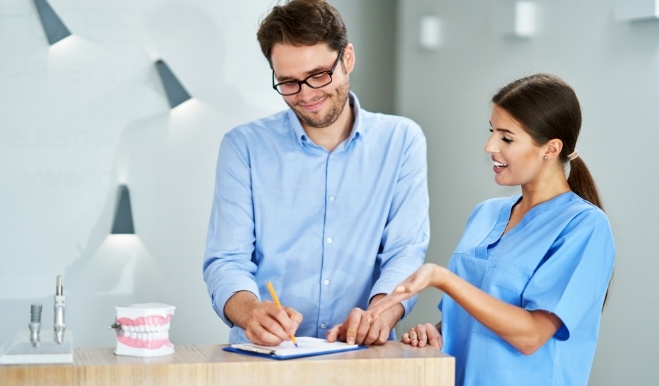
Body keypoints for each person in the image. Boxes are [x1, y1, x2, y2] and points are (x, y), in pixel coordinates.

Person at [202, 0, 429, 346]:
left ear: (348, 58)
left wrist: (382, 311)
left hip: (362, 353)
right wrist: (250, 312)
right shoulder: (243, 146)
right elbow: (226, 260)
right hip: (267, 356)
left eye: (319, 75)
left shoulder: (401, 141)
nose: (306, 94)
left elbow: (405, 250)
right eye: (289, 83)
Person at [365, 73, 615, 386]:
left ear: (551, 149)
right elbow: (469, 320)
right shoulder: (486, 214)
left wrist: (443, 278)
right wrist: (435, 333)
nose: (489, 146)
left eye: (506, 138)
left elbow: (531, 336)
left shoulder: (584, 227)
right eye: (491, 132)